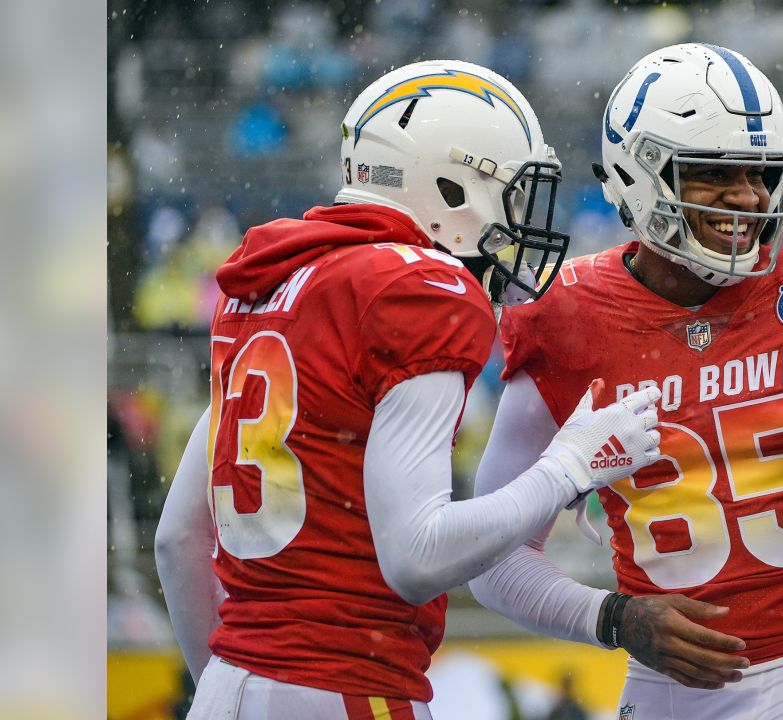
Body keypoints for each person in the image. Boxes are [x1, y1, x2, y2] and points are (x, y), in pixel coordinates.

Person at [153, 60, 663, 720]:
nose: (518, 221)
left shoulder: (272, 281)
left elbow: (176, 540)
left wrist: (237, 681)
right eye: (511, 193)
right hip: (347, 683)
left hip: (230, 684)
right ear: (452, 185)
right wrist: (573, 464)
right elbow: (417, 555)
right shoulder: (418, 287)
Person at [468, 43, 783, 720]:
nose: (748, 196)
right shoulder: (565, 321)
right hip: (668, 688)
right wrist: (613, 618)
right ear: (638, 175)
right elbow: (491, 556)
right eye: (713, 173)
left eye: (761, 173)